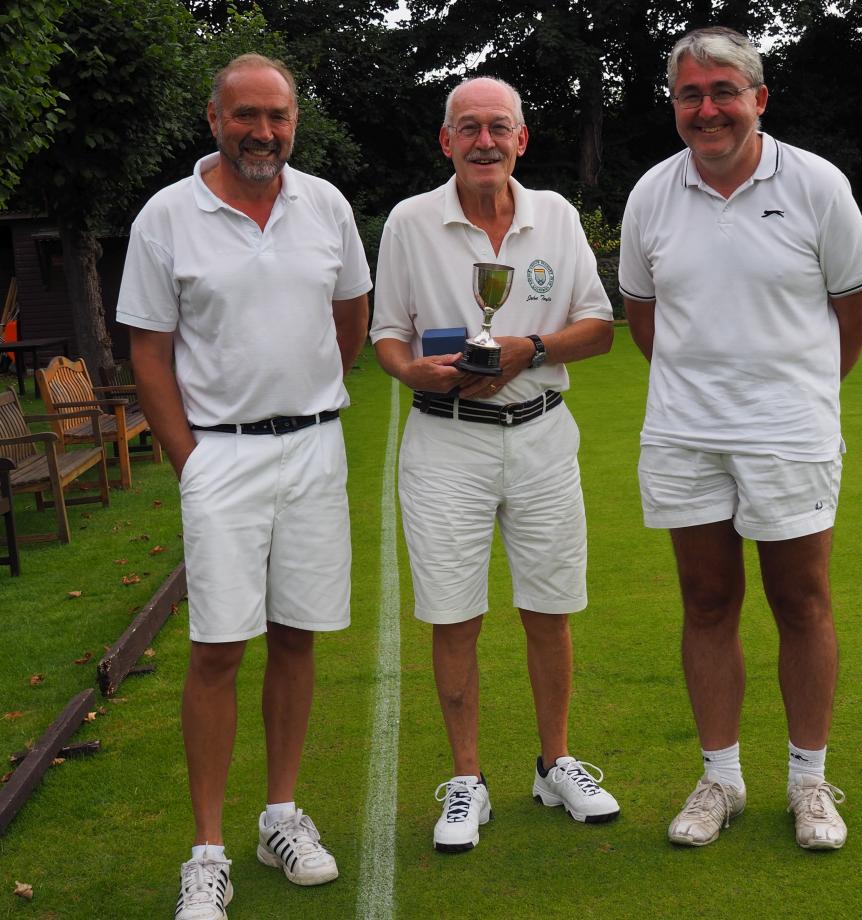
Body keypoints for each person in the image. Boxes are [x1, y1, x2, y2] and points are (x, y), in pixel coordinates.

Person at [116, 54, 371, 918]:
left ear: (295, 120)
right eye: (246, 116)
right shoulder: (166, 217)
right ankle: (207, 850)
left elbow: (351, 321)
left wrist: (303, 410)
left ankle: (279, 816)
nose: (263, 132)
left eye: (278, 116)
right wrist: (194, 457)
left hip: (313, 451)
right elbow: (146, 350)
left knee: (297, 637)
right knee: (218, 650)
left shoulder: (326, 205)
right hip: (217, 456)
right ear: (214, 118)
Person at [619, 27, 862, 851]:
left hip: (788, 435)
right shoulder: (649, 195)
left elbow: (858, 315)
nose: (707, 109)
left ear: (757, 98)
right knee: (705, 602)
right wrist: (704, 392)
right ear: (674, 107)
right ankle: (721, 780)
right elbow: (643, 317)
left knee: (800, 603)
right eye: (690, 95)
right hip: (684, 435)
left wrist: (796, 398)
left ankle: (808, 782)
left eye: (723, 91)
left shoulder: (815, 184)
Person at [370, 76, 620, 853]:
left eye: (498, 127)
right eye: (468, 128)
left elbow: (599, 325)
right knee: (454, 613)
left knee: (550, 606)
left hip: (542, 431)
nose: (484, 141)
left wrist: (529, 349)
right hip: (447, 438)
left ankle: (555, 763)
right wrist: (408, 371)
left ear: (522, 139)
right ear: (445, 141)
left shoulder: (556, 216)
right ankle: (467, 781)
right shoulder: (411, 221)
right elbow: (385, 334)